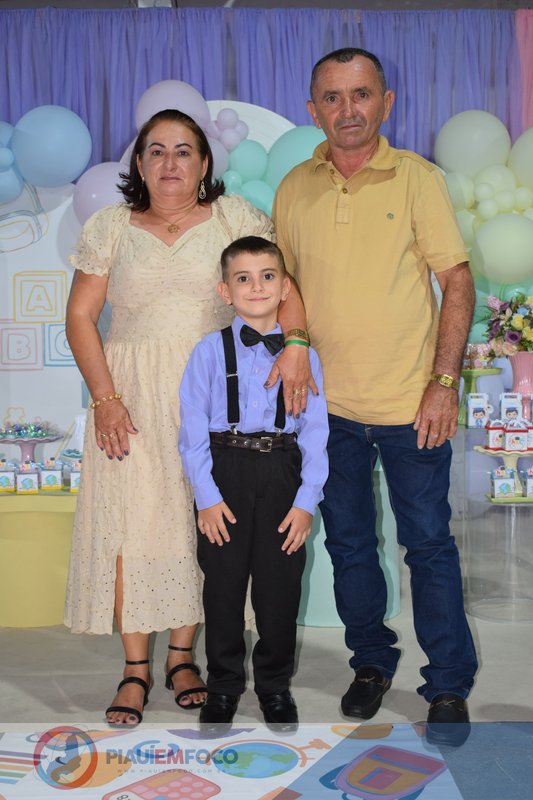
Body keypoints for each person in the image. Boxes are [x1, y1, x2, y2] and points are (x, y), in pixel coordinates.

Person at [64, 109, 309, 727]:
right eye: (156, 151)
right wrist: (105, 398)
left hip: (219, 397)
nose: (170, 162)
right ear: (139, 163)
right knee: (132, 525)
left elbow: (285, 292)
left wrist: (297, 348)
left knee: (197, 525)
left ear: (204, 164)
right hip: (130, 399)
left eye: (183, 151)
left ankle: (182, 659)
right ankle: (134, 669)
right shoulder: (110, 226)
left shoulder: (234, 218)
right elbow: (80, 316)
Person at [273, 48, 478, 744]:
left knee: (427, 546)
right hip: (325, 411)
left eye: (360, 94)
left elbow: (456, 281)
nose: (348, 109)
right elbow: (284, 286)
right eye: (331, 98)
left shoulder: (418, 178)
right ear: (313, 110)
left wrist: (443, 384)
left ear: (385, 102)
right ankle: (370, 662)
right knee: (351, 545)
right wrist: (293, 345)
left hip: (410, 406)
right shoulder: (294, 188)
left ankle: (446, 683)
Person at [178, 236, 329, 733]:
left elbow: (316, 434)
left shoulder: (305, 357)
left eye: (267, 276)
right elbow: (192, 430)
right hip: (225, 473)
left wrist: (305, 501)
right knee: (222, 589)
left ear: (285, 287)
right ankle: (223, 686)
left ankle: (274, 686)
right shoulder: (207, 351)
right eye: (243, 278)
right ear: (225, 291)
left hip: (283, 472)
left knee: (279, 589)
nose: (256, 287)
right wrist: (206, 496)